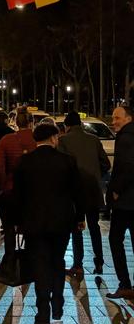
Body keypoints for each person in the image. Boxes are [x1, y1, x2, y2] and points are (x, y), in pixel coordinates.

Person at [14, 123, 85, 324]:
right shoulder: (67, 162)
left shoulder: (24, 162)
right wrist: (79, 218)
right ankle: (58, 301)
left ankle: (42, 311)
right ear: (54, 138)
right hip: (61, 222)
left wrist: (17, 222)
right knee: (57, 260)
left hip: (34, 223)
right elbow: (77, 193)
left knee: (40, 264)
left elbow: (17, 195)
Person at [58, 110, 110, 277]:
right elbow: (106, 164)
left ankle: (78, 264)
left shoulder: (63, 140)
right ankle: (99, 262)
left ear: (67, 126)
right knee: (94, 227)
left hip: (74, 192)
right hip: (93, 189)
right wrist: (95, 176)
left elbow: (62, 166)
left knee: (76, 228)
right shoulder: (94, 140)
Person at [0, 107, 36, 270]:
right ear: (31, 122)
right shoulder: (36, 140)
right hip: (32, 192)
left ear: (16, 122)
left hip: (10, 191)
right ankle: (30, 257)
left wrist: (3, 186)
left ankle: (11, 257)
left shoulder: (6, 140)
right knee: (31, 226)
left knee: (9, 227)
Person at [106, 106, 134, 299]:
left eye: (118, 117)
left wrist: (116, 190)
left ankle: (125, 284)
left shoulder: (125, 138)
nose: (113, 121)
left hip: (125, 202)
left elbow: (127, 166)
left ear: (128, 118)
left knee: (115, 240)